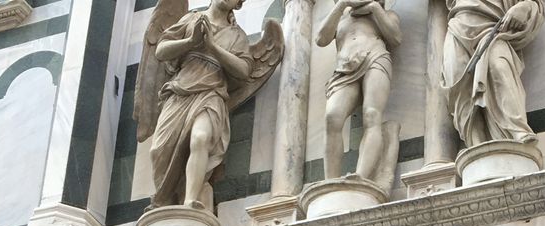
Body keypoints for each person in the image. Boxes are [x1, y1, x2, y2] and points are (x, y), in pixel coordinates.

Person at [135, 0, 283, 208]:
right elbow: (161, 50)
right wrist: (191, 41)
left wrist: (212, 47)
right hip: (179, 92)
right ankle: (167, 200)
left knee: (201, 138)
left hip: (211, 94)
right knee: (158, 150)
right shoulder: (191, 19)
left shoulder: (237, 36)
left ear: (238, 5)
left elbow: (243, 71)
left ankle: (191, 200)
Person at [315, 0, 402, 182]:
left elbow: (395, 38)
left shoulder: (386, 14)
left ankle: (361, 177)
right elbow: (321, 39)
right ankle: (331, 182)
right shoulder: (341, 18)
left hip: (375, 58)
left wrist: (374, 8)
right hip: (344, 68)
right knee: (332, 117)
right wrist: (341, 5)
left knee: (372, 115)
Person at [442, 0, 545, 148]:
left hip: (494, 28)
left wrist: (525, 7)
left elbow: (536, 3)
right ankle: (476, 146)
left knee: (499, 67)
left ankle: (515, 132)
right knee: (459, 85)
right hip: (458, 27)